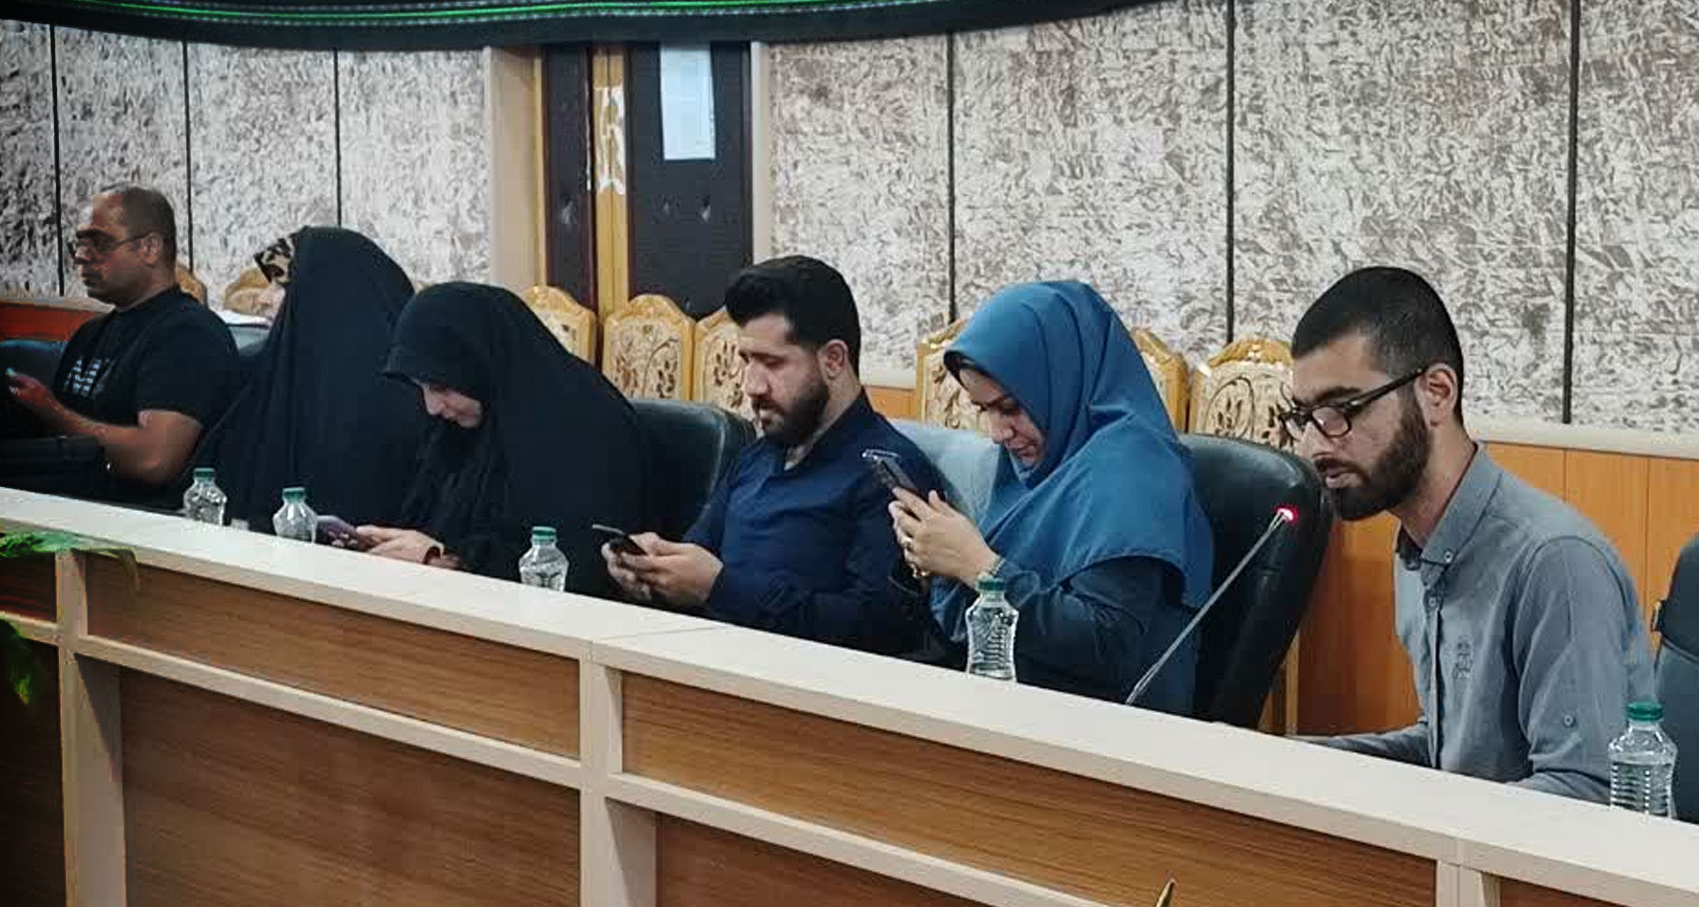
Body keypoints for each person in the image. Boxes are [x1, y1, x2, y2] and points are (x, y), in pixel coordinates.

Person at [1288, 266, 1652, 800]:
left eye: (1341, 410)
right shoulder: (1418, 548)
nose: (1314, 446)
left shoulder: (1555, 562)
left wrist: (1417, 820)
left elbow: (1585, 792)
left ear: (1437, 393)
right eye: (1304, 416)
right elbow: (1449, 754)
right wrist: (1288, 762)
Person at [889, 281, 1213, 713]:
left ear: (1061, 379)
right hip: (1017, 705)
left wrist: (979, 566)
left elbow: (1107, 646)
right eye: (984, 410)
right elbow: (977, 632)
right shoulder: (1042, 459)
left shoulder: (1133, 469)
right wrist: (937, 563)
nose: (997, 433)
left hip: (1104, 730)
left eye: (1009, 407)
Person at [606, 256, 937, 654]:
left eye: (772, 363)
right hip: (706, 662)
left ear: (833, 359)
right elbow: (699, 558)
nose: (752, 385)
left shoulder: (887, 474)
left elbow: (879, 629)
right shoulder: (758, 456)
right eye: (747, 360)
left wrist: (720, 588)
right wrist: (654, 571)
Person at [355, 283, 647, 596]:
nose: (431, 407)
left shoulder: (583, 423)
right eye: (421, 388)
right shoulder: (464, 425)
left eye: (441, 387)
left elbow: (582, 566)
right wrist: (399, 547)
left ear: (478, 362)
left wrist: (451, 560)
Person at [2, 186, 238, 501]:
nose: (81, 256)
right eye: (78, 243)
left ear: (150, 248)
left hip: (135, 519)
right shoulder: (91, 333)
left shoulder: (189, 334)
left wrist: (52, 411)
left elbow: (154, 460)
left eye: (98, 243)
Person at [191, 228, 429, 527]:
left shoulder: (408, 399)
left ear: (329, 294)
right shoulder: (262, 371)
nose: (263, 299)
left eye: (280, 285)